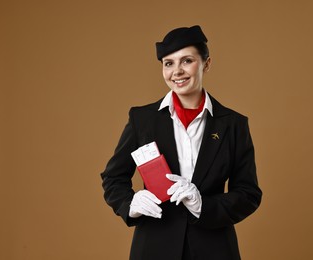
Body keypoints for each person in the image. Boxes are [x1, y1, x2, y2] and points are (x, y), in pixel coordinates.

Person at [101, 25, 262, 260]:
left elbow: (249, 194)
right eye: (169, 63)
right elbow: (113, 178)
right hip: (153, 248)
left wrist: (202, 205)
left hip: (214, 249)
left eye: (186, 61)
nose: (177, 71)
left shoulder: (234, 124)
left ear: (206, 64)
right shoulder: (142, 119)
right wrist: (131, 203)